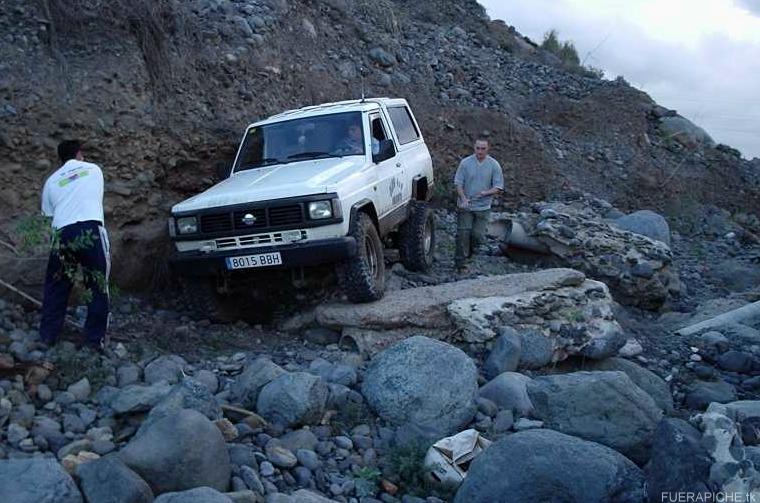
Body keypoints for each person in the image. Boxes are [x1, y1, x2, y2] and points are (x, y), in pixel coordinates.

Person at [39, 140, 110, 350]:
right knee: (97, 286)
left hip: (62, 233)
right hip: (91, 230)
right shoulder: (94, 170)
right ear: (79, 154)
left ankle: (47, 337)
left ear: (60, 158)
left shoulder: (51, 181)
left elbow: (47, 216)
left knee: (56, 287)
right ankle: (93, 342)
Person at [453, 138, 504, 271]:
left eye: (483, 149)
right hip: (466, 205)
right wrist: (463, 198)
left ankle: (469, 253)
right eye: (478, 148)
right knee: (463, 233)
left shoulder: (494, 165)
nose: (480, 151)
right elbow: (458, 183)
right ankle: (460, 264)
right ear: (474, 148)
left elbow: (498, 187)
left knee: (477, 235)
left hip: (483, 206)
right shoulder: (465, 163)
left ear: (488, 149)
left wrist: (486, 193)